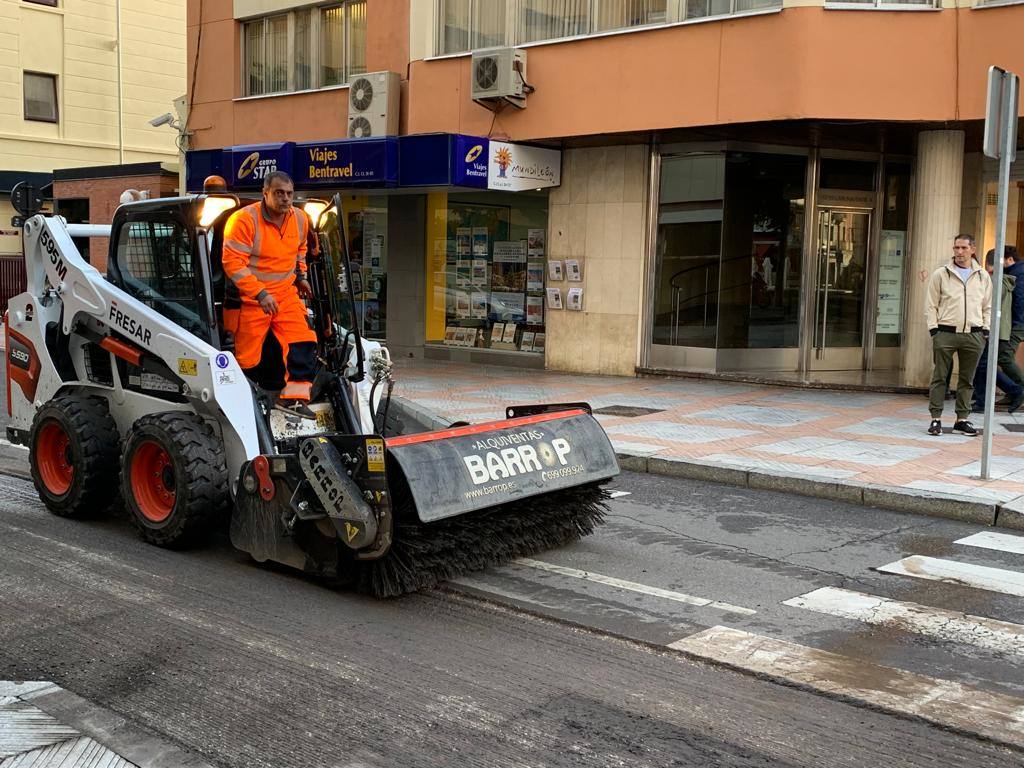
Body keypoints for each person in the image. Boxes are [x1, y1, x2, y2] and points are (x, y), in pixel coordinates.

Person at [221, 171, 317, 416]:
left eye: (289, 194)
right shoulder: (243, 220)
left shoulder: (300, 219)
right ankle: (246, 403)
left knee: (303, 341)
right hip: (251, 300)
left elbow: (300, 250)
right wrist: (261, 294)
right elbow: (233, 263)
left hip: (285, 295)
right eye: (279, 193)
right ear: (265, 194)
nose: (286, 199)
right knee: (247, 359)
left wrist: (302, 277)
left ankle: (293, 400)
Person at [924, 234, 991, 436]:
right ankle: (935, 419)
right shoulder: (941, 274)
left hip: (974, 334)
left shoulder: (982, 276)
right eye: (956, 248)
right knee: (940, 377)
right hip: (945, 332)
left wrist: (985, 329)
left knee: (967, 379)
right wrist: (934, 329)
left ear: (973, 249)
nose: (959, 252)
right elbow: (931, 304)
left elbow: (987, 305)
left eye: (963, 248)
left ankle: (962, 419)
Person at [972, 248, 1024, 414]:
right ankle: (981, 398)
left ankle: (1015, 390)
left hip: (998, 328)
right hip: (1002, 328)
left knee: (987, 363)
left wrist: (1014, 326)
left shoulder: (997, 280)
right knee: (985, 364)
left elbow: (995, 306)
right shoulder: (1005, 278)